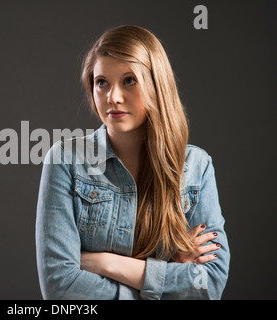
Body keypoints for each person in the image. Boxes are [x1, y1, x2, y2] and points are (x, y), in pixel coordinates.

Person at [35, 25, 230, 299]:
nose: (113, 97)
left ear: (156, 84)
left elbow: (209, 285)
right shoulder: (66, 160)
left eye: (129, 80)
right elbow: (60, 288)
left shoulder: (196, 166)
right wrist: (165, 277)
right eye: (102, 82)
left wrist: (104, 263)